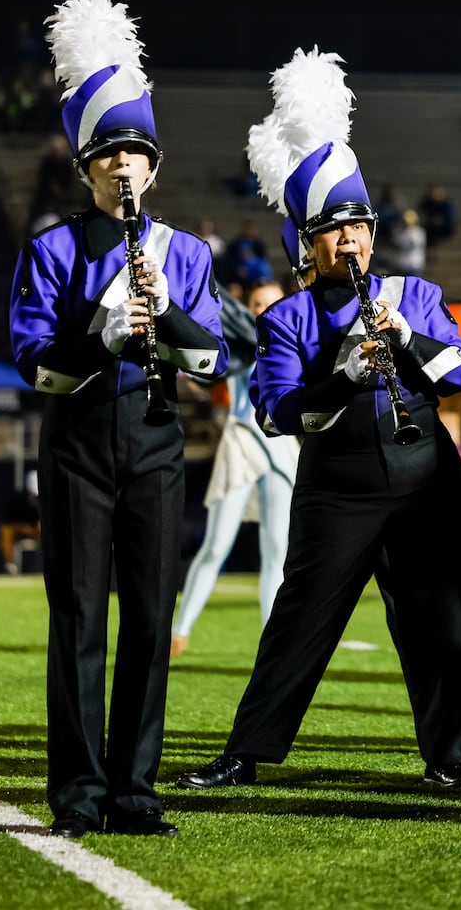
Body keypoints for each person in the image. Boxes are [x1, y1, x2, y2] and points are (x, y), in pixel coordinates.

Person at [174, 47, 461, 795]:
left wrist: (407, 340)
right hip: (337, 484)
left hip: (423, 479)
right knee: (300, 622)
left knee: (445, 625)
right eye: (334, 230)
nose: (351, 239)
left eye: (360, 226)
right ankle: (245, 753)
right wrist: (343, 373)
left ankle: (448, 757)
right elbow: (281, 410)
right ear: (308, 245)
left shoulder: (414, 295)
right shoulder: (290, 317)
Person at [9, 0, 228, 840]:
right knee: (78, 623)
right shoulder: (51, 249)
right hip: (75, 452)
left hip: (155, 447)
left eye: (137, 151)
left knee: (147, 620)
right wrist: (101, 333)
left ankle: (135, 792)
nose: (124, 165)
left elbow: (208, 360)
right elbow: (37, 367)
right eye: (108, 153)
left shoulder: (187, 252)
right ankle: (77, 795)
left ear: (155, 166)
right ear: (85, 166)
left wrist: (167, 312)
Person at [170, 279, 297, 659]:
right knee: (216, 544)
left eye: (271, 303)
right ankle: (181, 628)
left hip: (279, 446)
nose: (264, 310)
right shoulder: (242, 342)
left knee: (277, 548)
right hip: (242, 440)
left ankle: (273, 640)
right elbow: (215, 365)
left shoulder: (294, 342)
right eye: (257, 303)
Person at [0, 468, 41, 574]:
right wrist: (23, 527)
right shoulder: (18, 500)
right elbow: (7, 520)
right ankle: (10, 565)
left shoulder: (47, 498)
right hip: (21, 531)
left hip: (41, 531)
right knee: (6, 531)